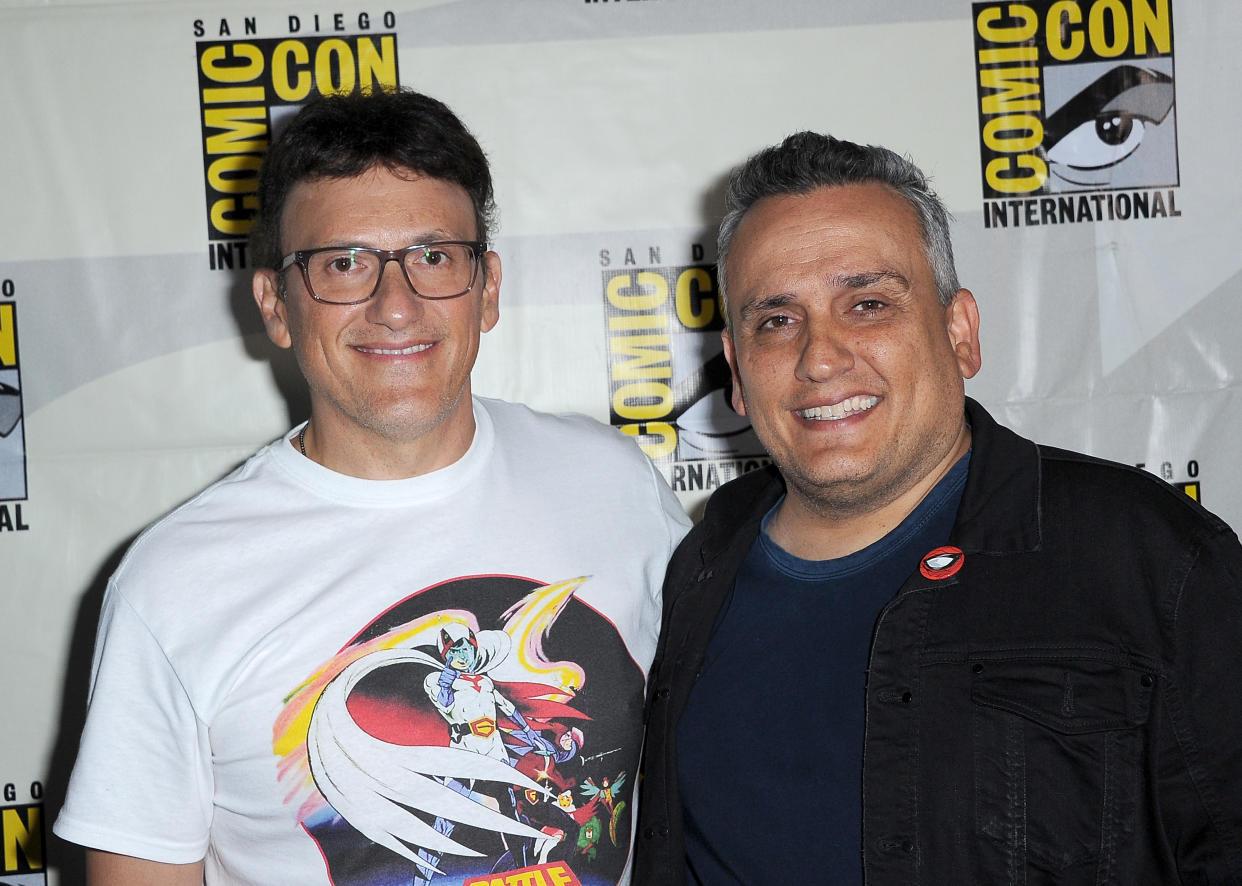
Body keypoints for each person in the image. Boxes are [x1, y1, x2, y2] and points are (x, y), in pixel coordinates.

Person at [54, 88, 690, 886]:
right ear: (275, 305)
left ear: (486, 288)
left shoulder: (616, 488)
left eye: (433, 257)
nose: (397, 306)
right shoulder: (175, 585)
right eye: (344, 263)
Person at [636, 131, 1242, 884]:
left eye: (867, 304)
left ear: (960, 333)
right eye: (777, 320)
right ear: (735, 368)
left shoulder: (1148, 556)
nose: (820, 358)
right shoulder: (697, 568)